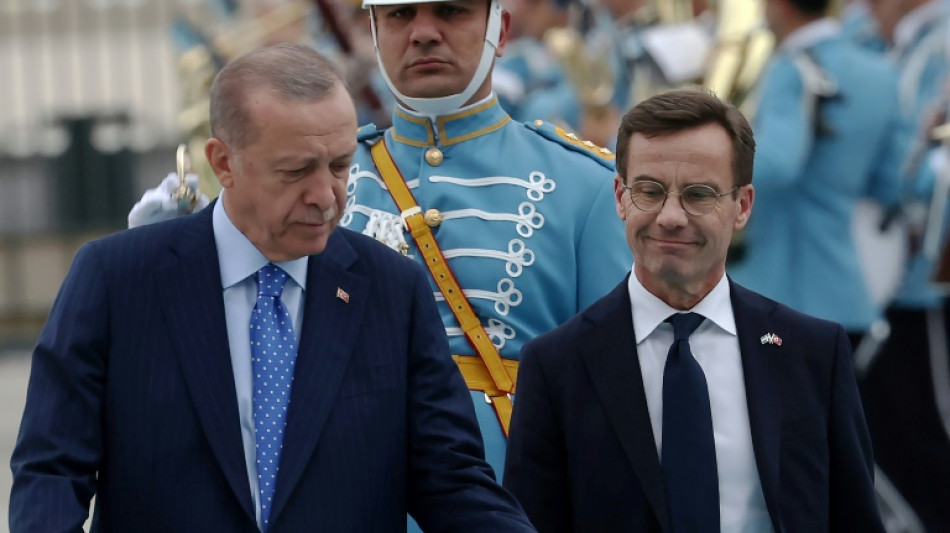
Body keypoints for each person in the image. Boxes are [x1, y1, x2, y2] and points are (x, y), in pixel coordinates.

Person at [10, 43, 536, 533]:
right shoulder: (117, 280)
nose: (325, 196)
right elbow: (51, 472)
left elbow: (451, 481)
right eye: (296, 171)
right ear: (223, 163)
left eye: (340, 166)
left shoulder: (391, 290)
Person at [129, 0, 630, 510]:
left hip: (511, 502)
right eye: (399, 15)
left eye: (451, 12)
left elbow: (618, 399)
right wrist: (180, 267)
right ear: (371, 30)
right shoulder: (310, 183)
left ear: (499, 31)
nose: (423, 33)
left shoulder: (586, 186)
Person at [503, 88, 884, 533]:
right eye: (650, 191)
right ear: (620, 197)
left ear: (742, 206)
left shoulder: (812, 353)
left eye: (699, 194)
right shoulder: (556, 366)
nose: (670, 216)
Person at [727, 0, 905, 347]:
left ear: (779, 6)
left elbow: (777, 165)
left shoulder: (792, 67)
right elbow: (890, 184)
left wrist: (702, 163)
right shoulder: (881, 74)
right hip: (845, 294)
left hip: (778, 289)